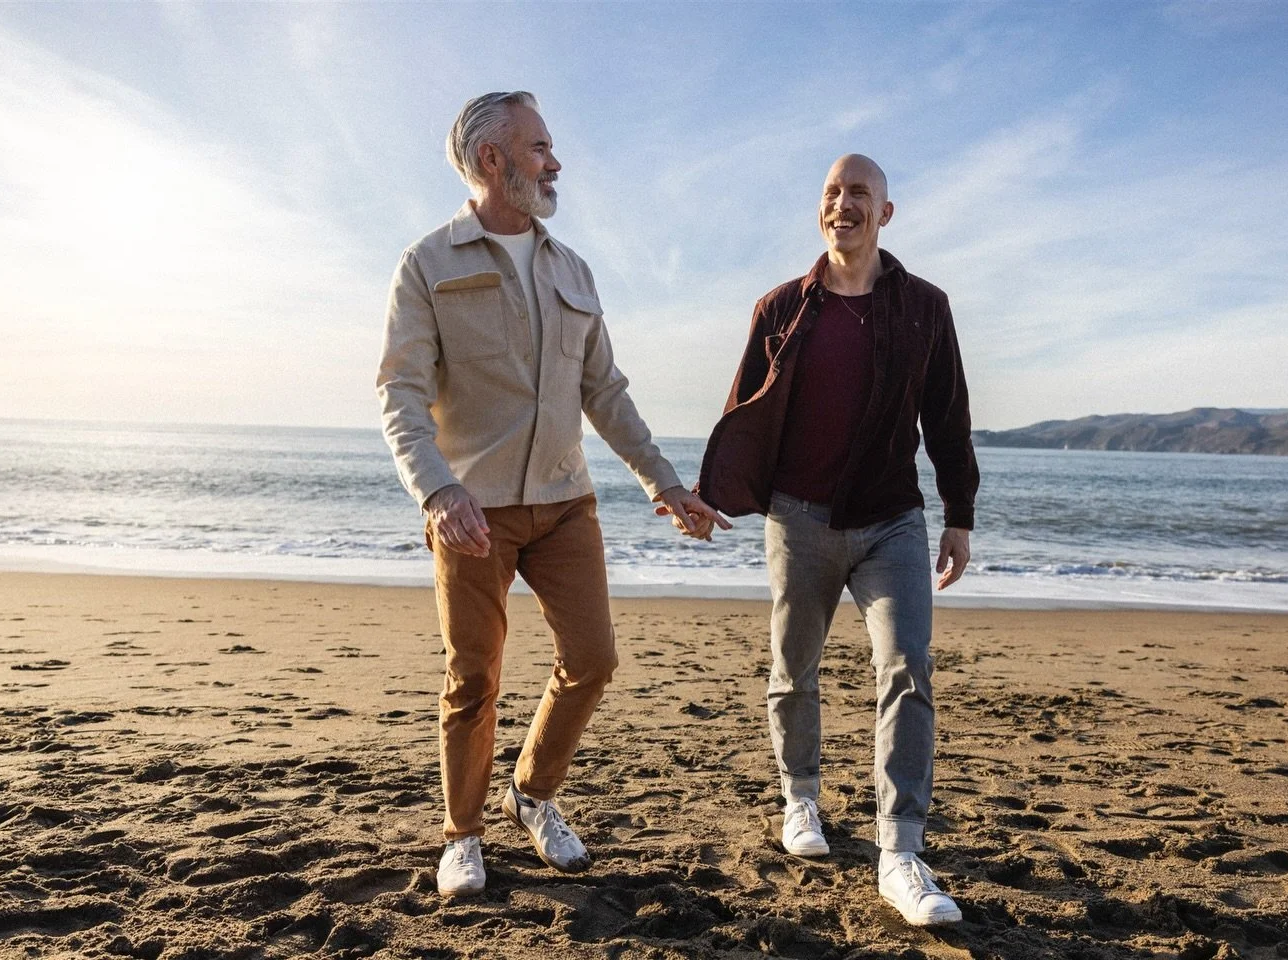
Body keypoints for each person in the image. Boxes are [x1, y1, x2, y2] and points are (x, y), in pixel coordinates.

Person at [377, 91, 727, 898]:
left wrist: (664, 482)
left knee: (594, 658)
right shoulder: (427, 264)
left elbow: (605, 391)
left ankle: (532, 794)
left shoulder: (573, 269)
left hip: (567, 502)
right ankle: (463, 835)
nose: (555, 161)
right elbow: (398, 392)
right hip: (472, 511)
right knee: (474, 676)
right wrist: (435, 491)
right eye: (540, 147)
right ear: (493, 160)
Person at [690, 153, 979, 925]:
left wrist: (960, 513)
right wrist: (706, 495)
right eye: (830, 193)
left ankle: (901, 850)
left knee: (907, 665)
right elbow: (742, 412)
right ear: (820, 211)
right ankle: (801, 801)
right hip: (800, 518)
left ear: (886, 213)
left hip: (892, 520)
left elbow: (947, 416)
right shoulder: (781, 307)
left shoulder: (925, 307)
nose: (842, 204)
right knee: (793, 668)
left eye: (859, 193)